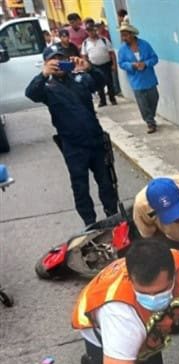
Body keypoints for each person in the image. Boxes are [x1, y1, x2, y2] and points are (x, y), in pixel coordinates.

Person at [25, 45, 118, 226]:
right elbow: (30, 94)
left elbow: (102, 81)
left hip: (96, 142)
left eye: (62, 59)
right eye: (54, 61)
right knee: (80, 187)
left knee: (106, 183)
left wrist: (89, 67)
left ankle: (113, 216)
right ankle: (90, 224)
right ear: (47, 64)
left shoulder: (81, 79)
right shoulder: (46, 88)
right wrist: (43, 74)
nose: (59, 64)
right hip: (74, 147)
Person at [117, 22, 160, 133]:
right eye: (122, 36)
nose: (124, 38)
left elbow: (154, 58)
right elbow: (121, 63)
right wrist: (132, 65)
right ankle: (150, 122)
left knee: (154, 98)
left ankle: (150, 116)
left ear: (132, 34)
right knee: (142, 102)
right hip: (136, 80)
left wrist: (145, 64)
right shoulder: (122, 50)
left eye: (126, 35)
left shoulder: (145, 44)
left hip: (149, 78)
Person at [81, 22, 117, 107]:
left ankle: (112, 99)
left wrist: (114, 64)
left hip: (106, 64)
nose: (91, 32)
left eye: (93, 30)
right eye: (89, 31)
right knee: (98, 84)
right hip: (94, 66)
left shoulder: (104, 40)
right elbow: (84, 55)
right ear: (87, 32)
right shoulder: (85, 43)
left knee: (109, 82)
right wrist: (86, 66)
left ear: (95, 30)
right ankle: (102, 101)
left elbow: (112, 53)